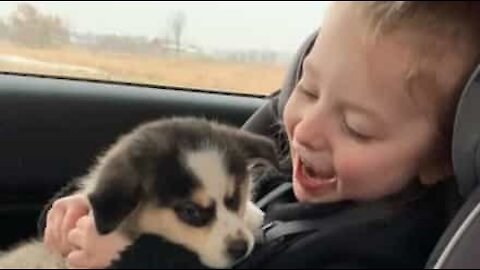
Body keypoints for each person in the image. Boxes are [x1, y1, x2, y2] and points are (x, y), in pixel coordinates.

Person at [39, 1, 480, 268]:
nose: (306, 128)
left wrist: (131, 257)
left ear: (437, 159)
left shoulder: (380, 252)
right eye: (307, 88)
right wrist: (104, 208)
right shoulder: (277, 182)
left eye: (356, 128)